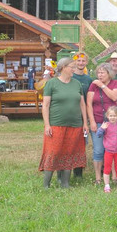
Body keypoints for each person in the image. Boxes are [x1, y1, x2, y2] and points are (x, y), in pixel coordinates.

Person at [39, 57, 88, 189]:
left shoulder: (76, 84)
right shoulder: (52, 83)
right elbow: (46, 105)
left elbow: (82, 104)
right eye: (72, 66)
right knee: (53, 153)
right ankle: (46, 184)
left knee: (69, 153)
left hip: (75, 125)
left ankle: (65, 183)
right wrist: (47, 125)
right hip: (56, 124)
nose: (74, 69)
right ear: (63, 68)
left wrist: (85, 123)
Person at [87, 62, 117, 185]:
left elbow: (114, 97)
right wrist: (92, 121)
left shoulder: (115, 83)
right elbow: (89, 104)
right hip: (97, 120)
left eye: (102, 73)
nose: (99, 75)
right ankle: (98, 177)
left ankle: (113, 176)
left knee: (112, 148)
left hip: (112, 122)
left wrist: (102, 85)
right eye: (98, 73)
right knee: (98, 150)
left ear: (109, 73)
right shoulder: (92, 85)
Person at [71, 51, 92, 178]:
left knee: (81, 144)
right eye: (78, 60)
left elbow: (89, 100)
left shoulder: (88, 79)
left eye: (83, 61)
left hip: (83, 117)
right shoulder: (70, 77)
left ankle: (78, 172)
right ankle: (67, 168)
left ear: (86, 62)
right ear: (74, 62)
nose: (81, 63)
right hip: (71, 115)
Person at [97, 106, 117, 193]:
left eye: (114, 115)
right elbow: (98, 135)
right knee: (107, 168)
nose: (112, 117)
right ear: (107, 116)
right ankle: (107, 185)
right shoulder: (106, 125)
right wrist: (102, 128)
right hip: (108, 151)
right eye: (110, 115)